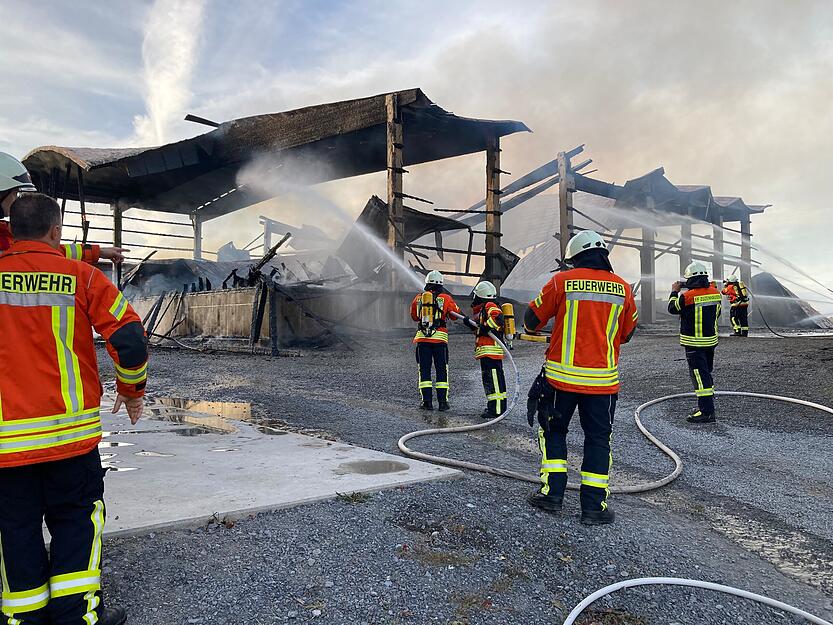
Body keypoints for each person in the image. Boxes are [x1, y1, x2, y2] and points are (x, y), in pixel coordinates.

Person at [0, 193, 148, 625]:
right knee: (76, 522)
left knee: (16, 527)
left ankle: (23, 617)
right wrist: (131, 389)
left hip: (7, 445)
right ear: (55, 230)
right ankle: (76, 614)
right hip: (70, 439)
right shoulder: (81, 277)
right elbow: (129, 339)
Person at [523, 230, 637, 525]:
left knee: (553, 433)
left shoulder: (561, 281)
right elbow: (627, 334)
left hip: (561, 380)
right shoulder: (623, 288)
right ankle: (594, 508)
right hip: (602, 384)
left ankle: (552, 495)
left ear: (573, 258)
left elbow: (531, 322)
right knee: (598, 440)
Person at [0, 152, 127, 264]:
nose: (16, 200)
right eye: (14, 193)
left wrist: (98, 252)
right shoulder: (6, 236)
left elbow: (48, 249)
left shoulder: (6, 234)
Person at [668, 261, 721, 423]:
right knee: (706, 373)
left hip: (694, 344)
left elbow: (672, 308)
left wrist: (674, 292)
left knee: (699, 376)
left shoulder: (687, 296)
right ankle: (708, 404)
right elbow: (716, 315)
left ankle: (706, 412)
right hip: (710, 342)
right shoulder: (716, 292)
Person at [410, 270, 461, 411]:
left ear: (427, 283)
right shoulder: (446, 298)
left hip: (422, 340)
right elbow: (456, 315)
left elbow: (414, 316)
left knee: (424, 370)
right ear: (441, 284)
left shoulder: (419, 298)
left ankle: (426, 402)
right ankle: (443, 403)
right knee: (442, 370)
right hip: (440, 340)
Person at [470, 281, 508, 420]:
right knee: (494, 380)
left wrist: (487, 327)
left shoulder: (489, 305)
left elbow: (498, 318)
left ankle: (496, 410)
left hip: (490, 350)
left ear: (480, 295)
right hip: (489, 351)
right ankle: (496, 406)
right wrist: (473, 324)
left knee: (493, 381)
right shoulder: (485, 308)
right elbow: (481, 328)